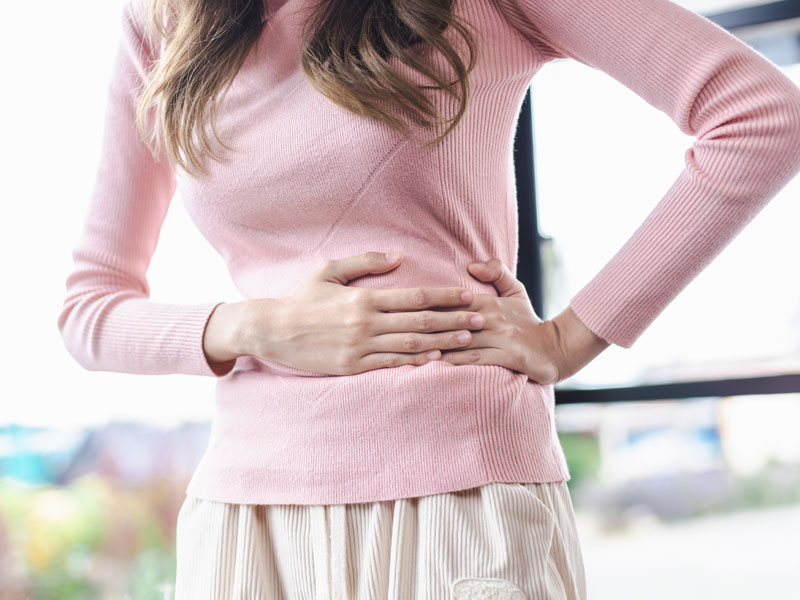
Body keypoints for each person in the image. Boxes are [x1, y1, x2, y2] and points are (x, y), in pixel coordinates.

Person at [56, 0, 800, 595]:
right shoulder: (165, 21)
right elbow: (90, 310)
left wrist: (572, 336)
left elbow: (759, 114)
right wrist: (258, 326)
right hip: (250, 519)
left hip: (461, 498)